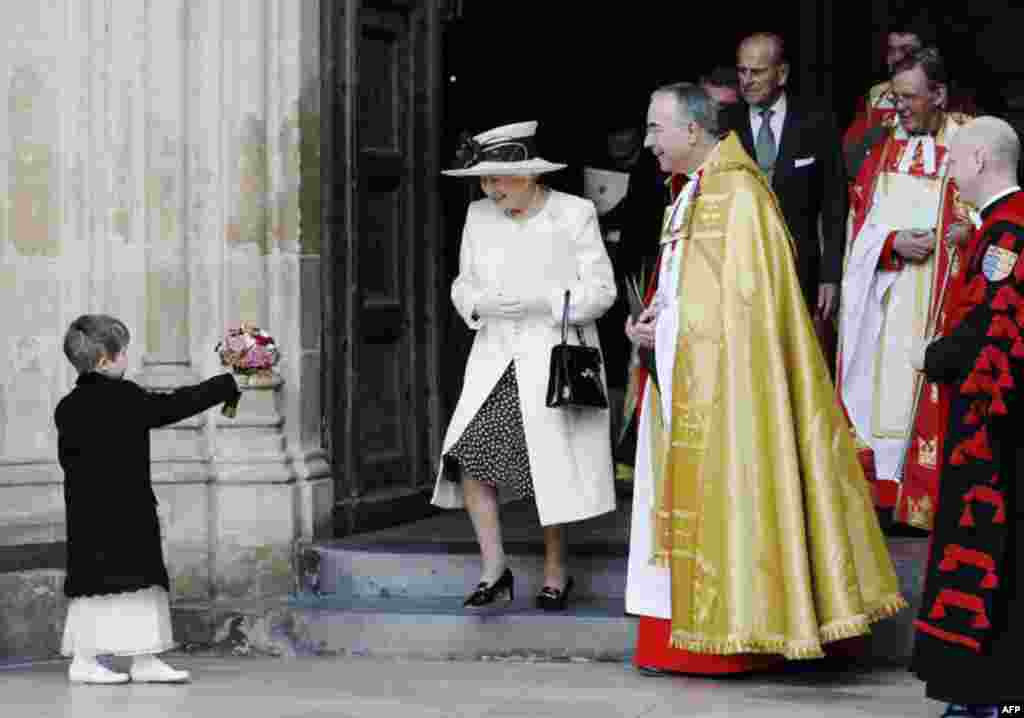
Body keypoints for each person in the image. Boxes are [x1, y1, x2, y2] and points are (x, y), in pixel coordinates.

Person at [623, 82, 905, 676]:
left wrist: (666, 329)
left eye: (655, 128)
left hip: (728, 392)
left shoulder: (739, 197)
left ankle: (736, 637)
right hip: (682, 379)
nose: (647, 140)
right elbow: (688, 288)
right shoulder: (693, 190)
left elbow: (741, 314)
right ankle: (679, 633)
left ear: (692, 131)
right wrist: (654, 320)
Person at [432, 120, 617, 611]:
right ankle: (495, 569)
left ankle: (557, 572)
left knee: (549, 467)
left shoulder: (574, 213)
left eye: (499, 179)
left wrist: (544, 301)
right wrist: (481, 305)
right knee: (469, 457)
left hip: (554, 358)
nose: (489, 189)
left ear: (531, 176)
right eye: (485, 180)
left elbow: (603, 291)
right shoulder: (478, 215)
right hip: (495, 357)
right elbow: (462, 284)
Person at [908, 116, 1024, 716]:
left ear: (979, 159)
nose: (951, 170)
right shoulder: (998, 228)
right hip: (996, 427)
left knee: (987, 558)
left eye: (955, 159)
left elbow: (991, 334)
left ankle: (989, 698)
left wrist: (933, 356)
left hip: (992, 431)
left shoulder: (1007, 234)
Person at [57, 315, 241, 684]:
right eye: (124, 352)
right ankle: (93, 660)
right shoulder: (123, 397)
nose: (128, 359)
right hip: (127, 509)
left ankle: (134, 659)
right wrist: (224, 385)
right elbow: (173, 405)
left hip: (88, 514)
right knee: (139, 582)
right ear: (106, 360)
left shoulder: (68, 405)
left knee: (97, 585)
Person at [837, 47, 972, 519]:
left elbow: (994, 213)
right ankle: (883, 499)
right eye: (895, 97)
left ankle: (929, 504)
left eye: (910, 97)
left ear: (939, 93)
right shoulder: (881, 147)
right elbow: (859, 227)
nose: (899, 107)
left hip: (943, 302)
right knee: (878, 399)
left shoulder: (970, 144)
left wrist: (964, 234)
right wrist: (892, 243)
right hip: (887, 303)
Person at [723, 33, 847, 352]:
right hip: (738, 269)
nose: (747, 81)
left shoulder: (816, 122)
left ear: (782, 73)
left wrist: (830, 275)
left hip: (800, 271)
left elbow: (834, 203)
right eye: (741, 71)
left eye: (757, 72)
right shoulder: (724, 125)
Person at [844, 11, 980, 174]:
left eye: (906, 51)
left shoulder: (958, 100)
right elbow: (848, 156)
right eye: (891, 50)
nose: (896, 58)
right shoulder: (875, 97)